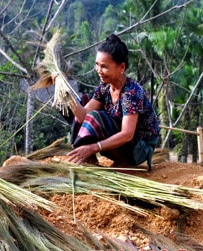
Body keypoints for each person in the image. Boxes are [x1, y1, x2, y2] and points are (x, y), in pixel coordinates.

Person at [57, 34, 160, 170]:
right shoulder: (105, 87)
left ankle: (122, 162)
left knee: (95, 118)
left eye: (104, 66)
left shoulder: (131, 93)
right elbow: (82, 117)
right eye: (97, 65)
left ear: (121, 67)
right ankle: (88, 157)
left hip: (138, 148)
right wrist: (65, 91)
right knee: (70, 107)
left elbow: (127, 134)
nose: (99, 71)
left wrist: (94, 147)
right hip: (122, 143)